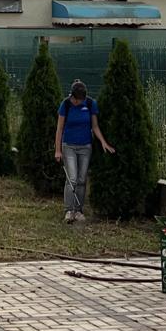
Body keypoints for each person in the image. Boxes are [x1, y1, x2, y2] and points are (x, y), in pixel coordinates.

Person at [53, 79, 114, 223]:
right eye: (76, 100)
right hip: (69, 146)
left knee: (82, 179)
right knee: (72, 178)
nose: (78, 102)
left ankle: (79, 210)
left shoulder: (90, 104)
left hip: (85, 147)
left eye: (81, 100)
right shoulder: (65, 105)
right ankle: (69, 210)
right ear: (72, 96)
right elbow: (59, 129)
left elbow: (95, 126)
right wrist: (58, 150)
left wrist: (103, 142)